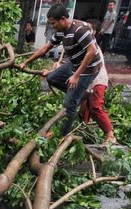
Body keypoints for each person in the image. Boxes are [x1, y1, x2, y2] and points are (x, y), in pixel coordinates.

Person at [19, 3, 103, 136]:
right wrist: (26, 62)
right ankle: (81, 94)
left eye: (53, 23)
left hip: (89, 68)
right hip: (74, 62)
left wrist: (76, 76)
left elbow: (92, 51)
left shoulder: (79, 30)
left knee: (69, 104)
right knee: (52, 77)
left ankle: (62, 135)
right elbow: (45, 48)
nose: (52, 26)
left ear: (63, 19)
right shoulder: (60, 31)